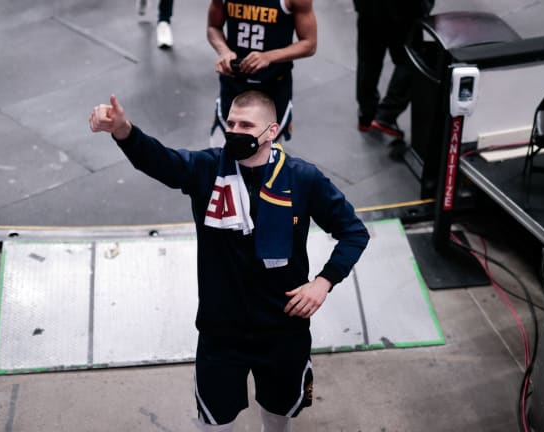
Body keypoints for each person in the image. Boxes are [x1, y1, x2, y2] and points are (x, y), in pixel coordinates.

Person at [89, 90, 369, 431]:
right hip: (220, 331)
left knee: (278, 415)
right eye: (231, 123)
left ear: (271, 131)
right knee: (215, 422)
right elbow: (159, 161)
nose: (234, 131)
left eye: (246, 125)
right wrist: (123, 130)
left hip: (283, 328)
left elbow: (354, 232)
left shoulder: (303, 179)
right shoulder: (206, 169)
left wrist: (323, 282)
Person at [207, 0, 317, 142]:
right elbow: (213, 27)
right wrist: (224, 51)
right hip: (234, 83)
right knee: (222, 146)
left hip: (273, 85)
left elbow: (309, 44)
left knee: (267, 146)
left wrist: (268, 57)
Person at [355, 0, 434, 138]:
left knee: (368, 60)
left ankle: (367, 114)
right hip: (405, 11)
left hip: (369, 8)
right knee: (410, 60)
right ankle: (386, 114)